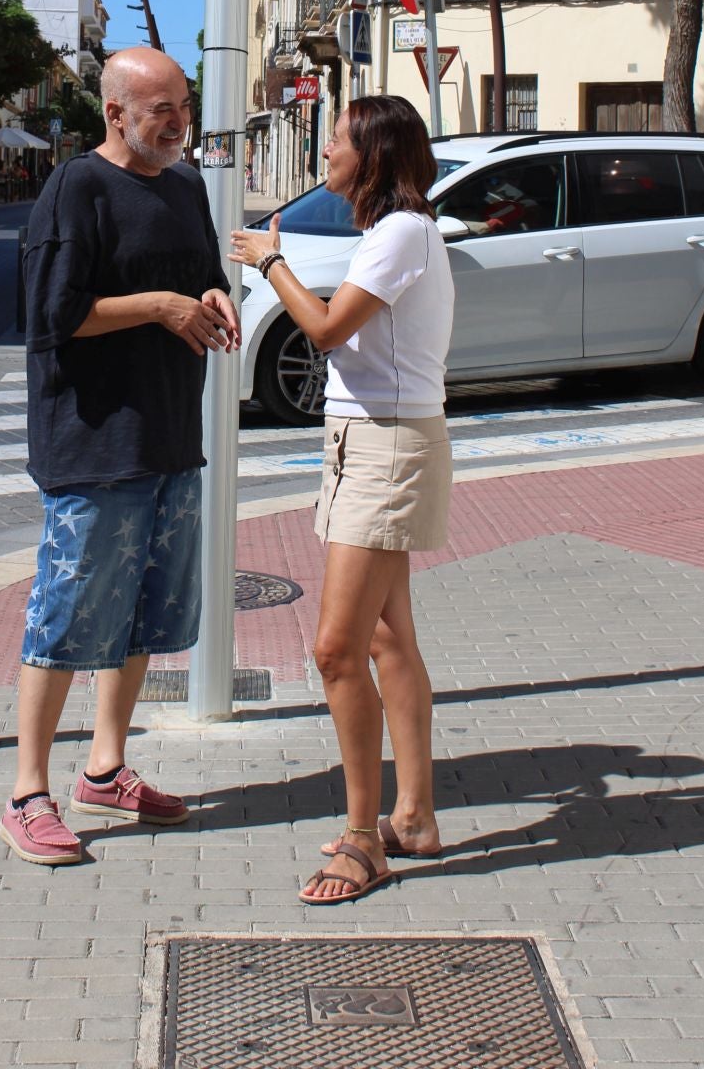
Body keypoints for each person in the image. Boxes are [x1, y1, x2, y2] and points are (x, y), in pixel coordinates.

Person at [0, 47, 240, 866]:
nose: (179, 122)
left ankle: (105, 768)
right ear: (115, 114)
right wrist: (160, 307)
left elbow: (202, 278)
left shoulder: (184, 184)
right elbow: (51, 316)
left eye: (183, 105)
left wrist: (207, 298)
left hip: (170, 431)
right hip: (94, 441)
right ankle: (28, 790)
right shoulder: (77, 187)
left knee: (142, 614)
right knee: (67, 617)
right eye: (161, 109)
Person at [230, 95, 454, 905]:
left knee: (335, 651)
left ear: (375, 155)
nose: (326, 150)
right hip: (367, 442)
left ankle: (366, 839)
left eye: (338, 140)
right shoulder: (394, 233)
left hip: (387, 449)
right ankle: (416, 817)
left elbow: (324, 331)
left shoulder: (400, 233)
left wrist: (268, 262)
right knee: (388, 640)